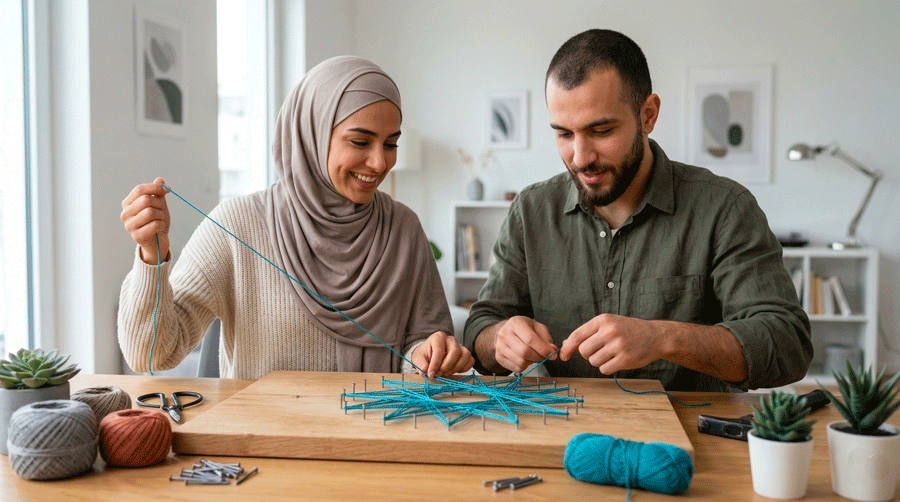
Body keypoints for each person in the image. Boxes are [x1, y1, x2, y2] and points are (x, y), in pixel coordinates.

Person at [463, 29, 812, 392]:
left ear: (648, 115)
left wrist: (663, 338)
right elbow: (480, 327)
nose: (580, 158)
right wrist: (499, 338)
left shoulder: (724, 208)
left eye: (600, 130)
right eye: (564, 134)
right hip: (564, 436)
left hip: (686, 440)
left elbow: (787, 344)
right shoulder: (531, 211)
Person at [119, 56, 474, 379]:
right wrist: (152, 258)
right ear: (312, 135)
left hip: (372, 442)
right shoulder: (236, 224)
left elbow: (421, 350)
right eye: (360, 142)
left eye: (391, 144)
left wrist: (430, 355)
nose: (380, 163)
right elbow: (151, 356)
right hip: (260, 446)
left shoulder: (403, 228)